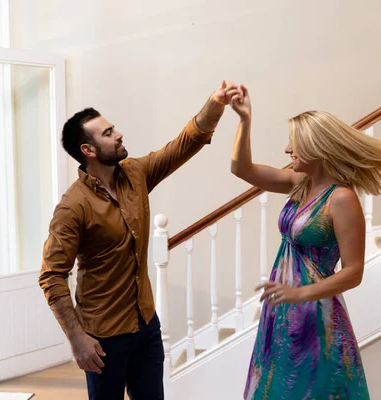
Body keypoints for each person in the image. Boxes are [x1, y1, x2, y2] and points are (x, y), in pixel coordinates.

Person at [39, 81, 240, 400]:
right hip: (103, 338)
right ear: (88, 151)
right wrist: (77, 339)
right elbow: (51, 277)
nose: (118, 134)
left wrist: (216, 103)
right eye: (107, 133)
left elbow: (184, 144)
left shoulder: (135, 173)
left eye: (113, 128)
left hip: (146, 325)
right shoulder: (72, 206)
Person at [229, 85, 381, 399]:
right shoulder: (300, 183)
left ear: (315, 148)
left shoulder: (341, 199)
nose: (286, 150)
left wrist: (300, 293)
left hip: (315, 317)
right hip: (282, 312)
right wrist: (244, 121)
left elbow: (354, 271)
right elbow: (241, 169)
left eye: (293, 144)